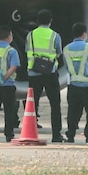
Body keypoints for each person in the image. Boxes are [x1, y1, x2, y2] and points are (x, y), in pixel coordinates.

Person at [25, 9, 63, 142]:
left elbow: (27, 50)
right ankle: (56, 135)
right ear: (51, 21)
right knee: (55, 104)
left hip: (34, 73)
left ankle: (29, 133)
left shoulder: (30, 35)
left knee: (32, 105)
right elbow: (58, 52)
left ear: (37, 21)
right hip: (50, 72)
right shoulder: (55, 35)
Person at [62, 22, 88, 143]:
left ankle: (71, 134)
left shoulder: (66, 49)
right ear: (84, 34)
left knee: (72, 111)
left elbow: (66, 67)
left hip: (73, 84)